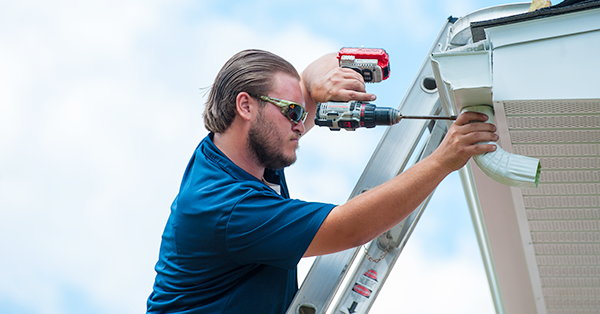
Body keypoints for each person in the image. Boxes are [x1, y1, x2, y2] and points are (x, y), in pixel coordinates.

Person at [146, 49, 498, 314]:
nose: (302, 124)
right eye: (293, 113)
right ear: (246, 106)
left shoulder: (233, 156)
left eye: (302, 112)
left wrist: (315, 82)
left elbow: (303, 86)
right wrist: (443, 159)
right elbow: (348, 229)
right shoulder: (225, 207)